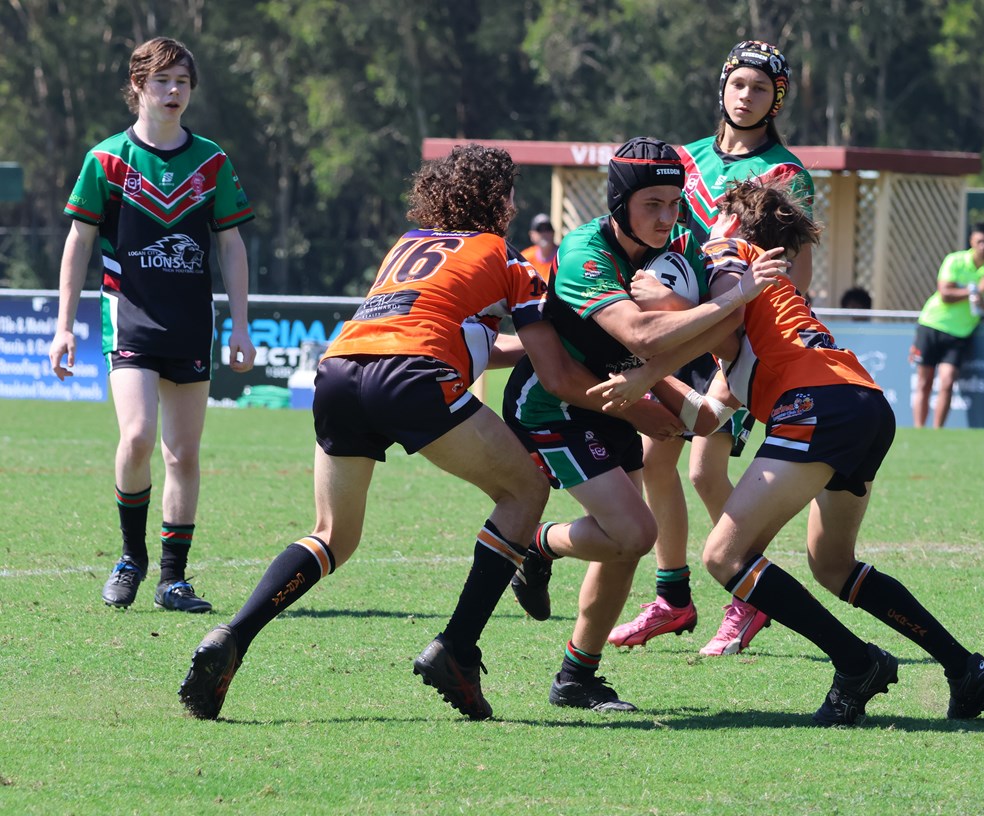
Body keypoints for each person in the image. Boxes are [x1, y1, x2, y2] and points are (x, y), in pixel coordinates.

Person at [177, 144, 632, 721]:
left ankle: (233, 636)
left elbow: (464, 338)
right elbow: (551, 369)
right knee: (525, 493)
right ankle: (458, 650)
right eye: (511, 194)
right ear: (497, 200)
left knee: (332, 534)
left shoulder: (407, 244)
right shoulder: (504, 255)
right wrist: (629, 394)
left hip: (341, 370)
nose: (516, 207)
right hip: (413, 375)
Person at [591, 181, 984, 725]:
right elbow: (709, 417)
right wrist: (648, 390)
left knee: (723, 556)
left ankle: (856, 664)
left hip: (817, 404)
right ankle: (963, 667)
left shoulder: (727, 253)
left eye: (705, 218)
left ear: (731, 223)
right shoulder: (769, 312)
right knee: (832, 565)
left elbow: (720, 312)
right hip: (863, 404)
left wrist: (647, 333)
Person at [504, 137, 789, 710]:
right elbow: (640, 333)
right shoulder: (587, 248)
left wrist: (707, 306)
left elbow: (728, 334)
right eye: (650, 204)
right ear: (619, 204)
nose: (666, 218)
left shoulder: (683, 241)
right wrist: (728, 302)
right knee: (635, 532)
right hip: (557, 404)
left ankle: (576, 676)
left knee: (625, 541)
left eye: (673, 202)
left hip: (619, 391)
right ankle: (538, 545)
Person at [608, 40, 818, 656]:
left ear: (775, 99)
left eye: (758, 88)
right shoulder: (682, 159)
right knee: (654, 459)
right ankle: (672, 599)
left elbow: (794, 273)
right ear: (721, 88)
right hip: (679, 327)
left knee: (704, 470)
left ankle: (749, 596)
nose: (744, 96)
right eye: (737, 84)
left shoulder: (786, 173)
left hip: (736, 337)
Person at [49, 37, 256, 614]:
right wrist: (64, 326)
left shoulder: (212, 161)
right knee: (138, 437)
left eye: (182, 82)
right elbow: (79, 242)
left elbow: (232, 244)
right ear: (137, 87)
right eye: (162, 81)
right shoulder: (107, 159)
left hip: (190, 321)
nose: (173, 92)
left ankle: (173, 579)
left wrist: (241, 325)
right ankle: (129, 558)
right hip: (129, 313)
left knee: (182, 455)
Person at [910, 223, 984, 428]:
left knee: (947, 382)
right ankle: (919, 430)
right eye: (979, 242)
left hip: (960, 333)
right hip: (932, 324)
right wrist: (976, 290)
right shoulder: (955, 261)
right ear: (971, 242)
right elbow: (946, 294)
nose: (983, 246)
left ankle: (937, 431)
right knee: (924, 382)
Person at [521, 212, 558, 280]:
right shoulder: (525, 259)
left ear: (553, 232)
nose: (544, 233)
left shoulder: (563, 257)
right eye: (539, 229)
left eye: (547, 229)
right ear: (531, 235)